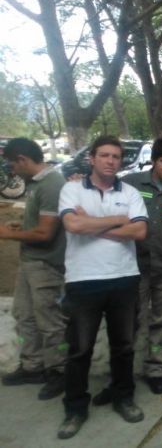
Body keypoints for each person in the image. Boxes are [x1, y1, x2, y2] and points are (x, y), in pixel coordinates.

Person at [56, 135, 149, 439]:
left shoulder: (131, 192)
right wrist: (116, 220)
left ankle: (124, 397)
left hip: (123, 278)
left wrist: (94, 223)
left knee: (123, 346)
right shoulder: (71, 189)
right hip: (83, 281)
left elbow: (138, 231)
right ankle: (75, 408)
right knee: (79, 348)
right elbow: (73, 226)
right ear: (92, 158)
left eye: (116, 156)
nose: (111, 161)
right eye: (105, 155)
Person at [0, 138, 67, 401]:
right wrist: (20, 228)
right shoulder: (37, 184)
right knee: (24, 316)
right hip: (30, 261)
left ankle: (59, 371)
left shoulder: (52, 185)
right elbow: (36, 225)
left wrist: (6, 234)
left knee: (50, 322)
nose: (12, 172)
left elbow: (46, 233)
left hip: (46, 264)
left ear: (22, 160)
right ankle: (32, 365)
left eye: (12, 165)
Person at [121, 138, 162, 395]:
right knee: (128, 322)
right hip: (132, 267)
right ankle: (122, 375)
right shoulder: (131, 185)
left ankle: (156, 369)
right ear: (153, 161)